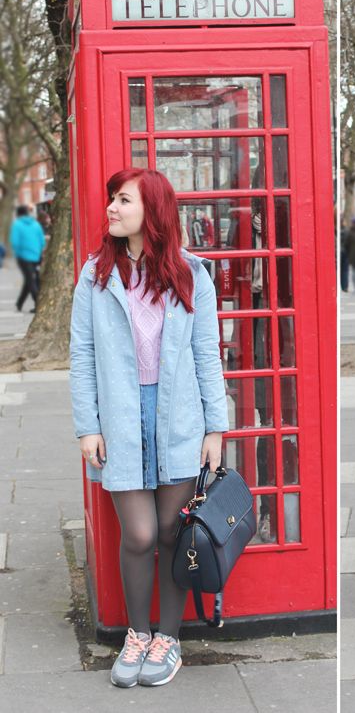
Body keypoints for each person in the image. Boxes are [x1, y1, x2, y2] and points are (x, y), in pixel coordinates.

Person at [70, 168, 228, 688]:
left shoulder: (192, 275)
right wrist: (87, 426)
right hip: (120, 418)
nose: (111, 209)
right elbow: (81, 355)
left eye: (123, 200)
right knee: (138, 534)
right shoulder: (95, 276)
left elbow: (208, 355)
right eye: (112, 199)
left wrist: (215, 428)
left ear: (153, 211)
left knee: (170, 532)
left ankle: (169, 638)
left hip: (179, 416)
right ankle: (137, 634)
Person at [10, 205, 46, 313]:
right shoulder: (36, 224)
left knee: (30, 280)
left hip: (23, 257)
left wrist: (18, 254)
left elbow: (15, 242)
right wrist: (38, 252)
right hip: (36, 257)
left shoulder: (17, 225)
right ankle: (19, 303)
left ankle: (39, 305)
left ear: (18, 214)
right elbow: (42, 241)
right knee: (29, 279)